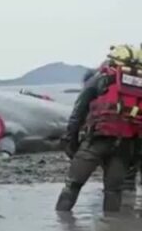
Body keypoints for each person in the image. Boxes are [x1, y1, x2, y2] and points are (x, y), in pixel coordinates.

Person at [56, 44, 142, 212]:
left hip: (96, 141)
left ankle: (62, 223)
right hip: (125, 147)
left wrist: (70, 140)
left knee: (72, 185)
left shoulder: (101, 78)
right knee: (113, 191)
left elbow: (78, 111)